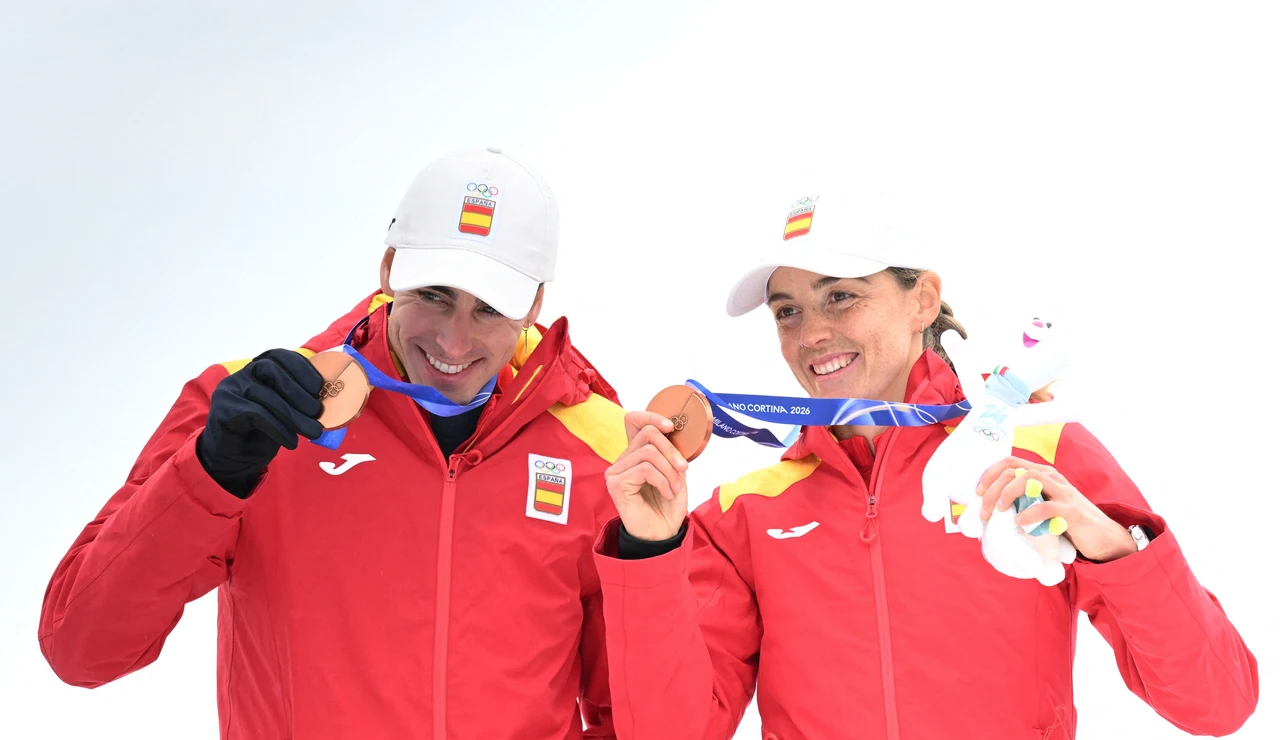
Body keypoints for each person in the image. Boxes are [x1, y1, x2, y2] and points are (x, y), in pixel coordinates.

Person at [593, 192, 1259, 739]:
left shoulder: (1039, 451)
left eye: (840, 296)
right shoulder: (746, 511)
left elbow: (1216, 703)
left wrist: (1117, 551)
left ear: (921, 300)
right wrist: (647, 550)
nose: (810, 334)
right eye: (787, 312)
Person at [39, 147, 627, 739]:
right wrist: (209, 473)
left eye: (490, 309)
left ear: (534, 306)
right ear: (391, 268)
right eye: (434, 295)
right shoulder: (253, 411)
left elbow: (631, 719)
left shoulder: (600, 451)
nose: (454, 342)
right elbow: (81, 648)